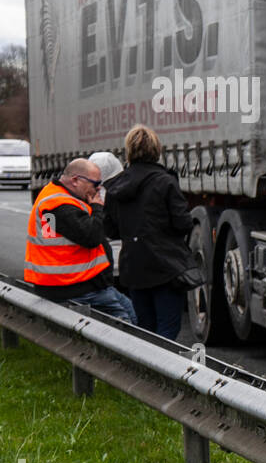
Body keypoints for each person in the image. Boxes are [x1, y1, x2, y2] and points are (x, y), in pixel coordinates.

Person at [103, 125, 193, 339]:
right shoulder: (166, 182)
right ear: (157, 150)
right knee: (167, 330)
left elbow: (110, 229)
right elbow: (183, 223)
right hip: (166, 267)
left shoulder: (116, 187)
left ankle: (145, 370)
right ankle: (162, 371)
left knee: (145, 328)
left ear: (129, 152)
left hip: (133, 267)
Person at [24, 158, 138, 323]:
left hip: (67, 284)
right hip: (77, 287)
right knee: (129, 326)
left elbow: (51, 236)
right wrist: (98, 208)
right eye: (95, 183)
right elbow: (92, 236)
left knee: (132, 314)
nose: (99, 188)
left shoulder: (52, 196)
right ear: (76, 180)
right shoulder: (60, 205)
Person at [88, 151, 125, 274]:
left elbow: (48, 237)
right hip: (121, 263)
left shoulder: (48, 201)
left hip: (95, 267)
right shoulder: (122, 194)